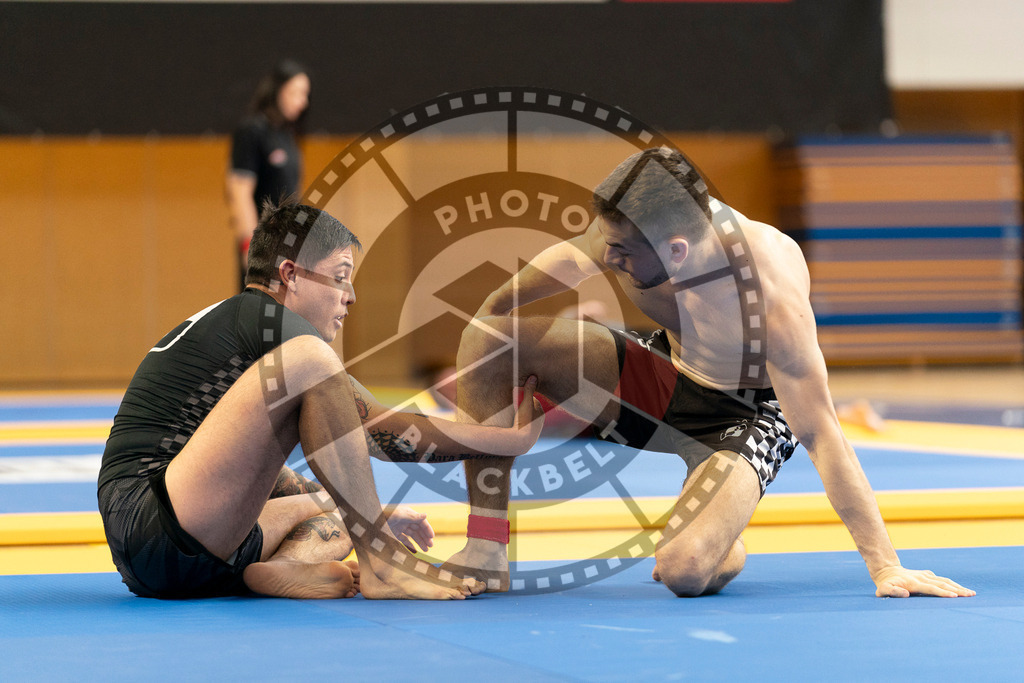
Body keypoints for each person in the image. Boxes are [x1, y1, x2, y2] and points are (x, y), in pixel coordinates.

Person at [442, 147, 974, 599]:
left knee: (684, 571)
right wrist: (493, 338)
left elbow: (821, 433)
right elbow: (528, 288)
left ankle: (721, 533)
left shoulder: (766, 291)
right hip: (666, 371)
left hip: (748, 416)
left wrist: (884, 564)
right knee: (488, 338)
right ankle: (487, 545)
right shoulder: (635, 228)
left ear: (677, 249)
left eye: (622, 252)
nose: (607, 256)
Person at [98, 200, 543, 601]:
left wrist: (363, 511)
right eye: (340, 277)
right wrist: (505, 439)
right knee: (313, 362)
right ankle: (382, 565)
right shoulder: (266, 318)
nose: (350, 296)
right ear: (290, 275)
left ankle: (284, 566)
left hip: (181, 545)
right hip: (154, 521)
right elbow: (379, 432)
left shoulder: (240, 326)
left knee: (317, 490)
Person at [226, 59, 310, 290]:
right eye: (295, 92)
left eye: (305, 94)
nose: (302, 101)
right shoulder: (252, 131)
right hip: (264, 246)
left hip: (288, 246)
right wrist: (250, 247)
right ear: (277, 91)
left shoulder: (287, 135)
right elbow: (239, 192)